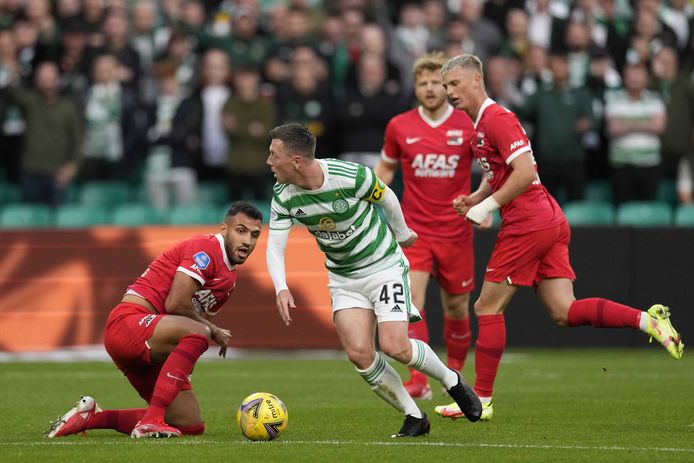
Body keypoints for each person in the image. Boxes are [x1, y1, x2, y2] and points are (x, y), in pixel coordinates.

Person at [435, 54, 684, 422]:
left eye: (455, 83)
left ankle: (481, 400)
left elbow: (524, 172)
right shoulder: (481, 126)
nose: (450, 92)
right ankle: (648, 321)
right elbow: (501, 171)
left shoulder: (497, 118)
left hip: (529, 222)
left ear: (476, 80)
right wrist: (476, 197)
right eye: (446, 86)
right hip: (545, 218)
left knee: (486, 307)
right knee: (564, 311)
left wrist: (487, 206)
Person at [265, 123, 482, 437]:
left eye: (274, 155)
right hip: (343, 278)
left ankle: (451, 380)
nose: (269, 162)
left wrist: (402, 233)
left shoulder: (350, 176)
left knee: (395, 346)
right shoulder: (283, 195)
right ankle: (414, 416)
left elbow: (387, 196)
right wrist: (281, 287)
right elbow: (275, 246)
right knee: (359, 353)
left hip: (382, 267)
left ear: (296, 160)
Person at [46, 202, 263, 439]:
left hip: (154, 341)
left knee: (189, 424)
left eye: (254, 235)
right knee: (200, 332)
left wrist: (184, 370)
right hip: (129, 323)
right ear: (224, 228)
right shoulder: (206, 248)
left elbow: (195, 325)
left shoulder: (229, 281)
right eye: (240, 231)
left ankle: (92, 417)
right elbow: (176, 304)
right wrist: (213, 330)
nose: (247, 241)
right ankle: (151, 421)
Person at [374, 52, 479, 400]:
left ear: (447, 86)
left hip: (456, 232)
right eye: (423, 83)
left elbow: (490, 168)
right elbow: (385, 170)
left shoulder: (467, 124)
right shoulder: (399, 126)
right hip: (414, 232)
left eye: (436, 82)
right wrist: (367, 195)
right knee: (412, 305)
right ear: (416, 87)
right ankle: (419, 381)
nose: (430, 89)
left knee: (456, 308)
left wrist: (483, 204)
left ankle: (455, 376)